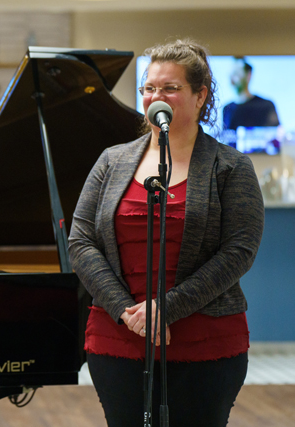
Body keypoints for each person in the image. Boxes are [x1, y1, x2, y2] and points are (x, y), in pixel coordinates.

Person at [68, 39, 264, 427]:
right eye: (150, 88)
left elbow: (239, 250)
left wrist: (166, 308)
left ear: (200, 95)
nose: (156, 97)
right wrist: (127, 311)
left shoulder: (231, 166)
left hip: (205, 342)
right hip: (119, 338)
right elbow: (81, 240)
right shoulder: (111, 161)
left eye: (170, 88)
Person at [223, 58, 280, 130]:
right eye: (230, 75)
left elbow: (276, 133)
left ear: (248, 75)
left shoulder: (266, 105)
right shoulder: (227, 109)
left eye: (236, 74)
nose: (231, 79)